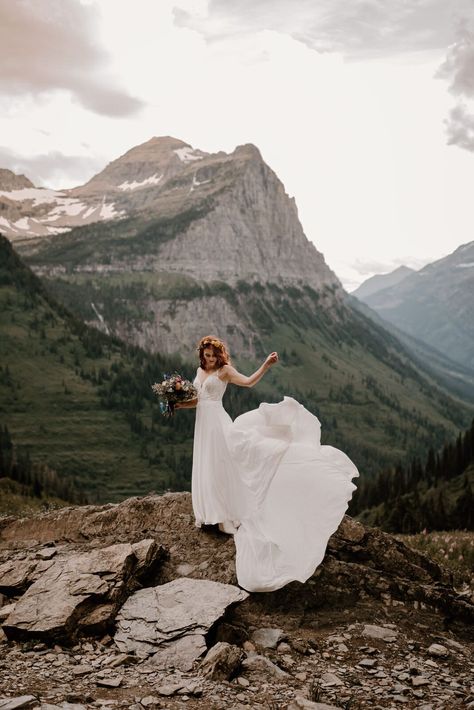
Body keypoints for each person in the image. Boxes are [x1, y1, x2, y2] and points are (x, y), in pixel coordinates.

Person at [175, 335, 359, 593]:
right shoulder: (199, 371)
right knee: (207, 466)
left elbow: (249, 383)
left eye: (214, 355)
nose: (210, 359)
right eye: (206, 356)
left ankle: (223, 515)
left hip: (217, 423)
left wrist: (266, 364)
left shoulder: (225, 371)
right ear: (202, 355)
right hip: (203, 425)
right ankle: (209, 512)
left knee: (222, 465)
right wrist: (177, 404)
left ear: (220, 355)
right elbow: (197, 400)